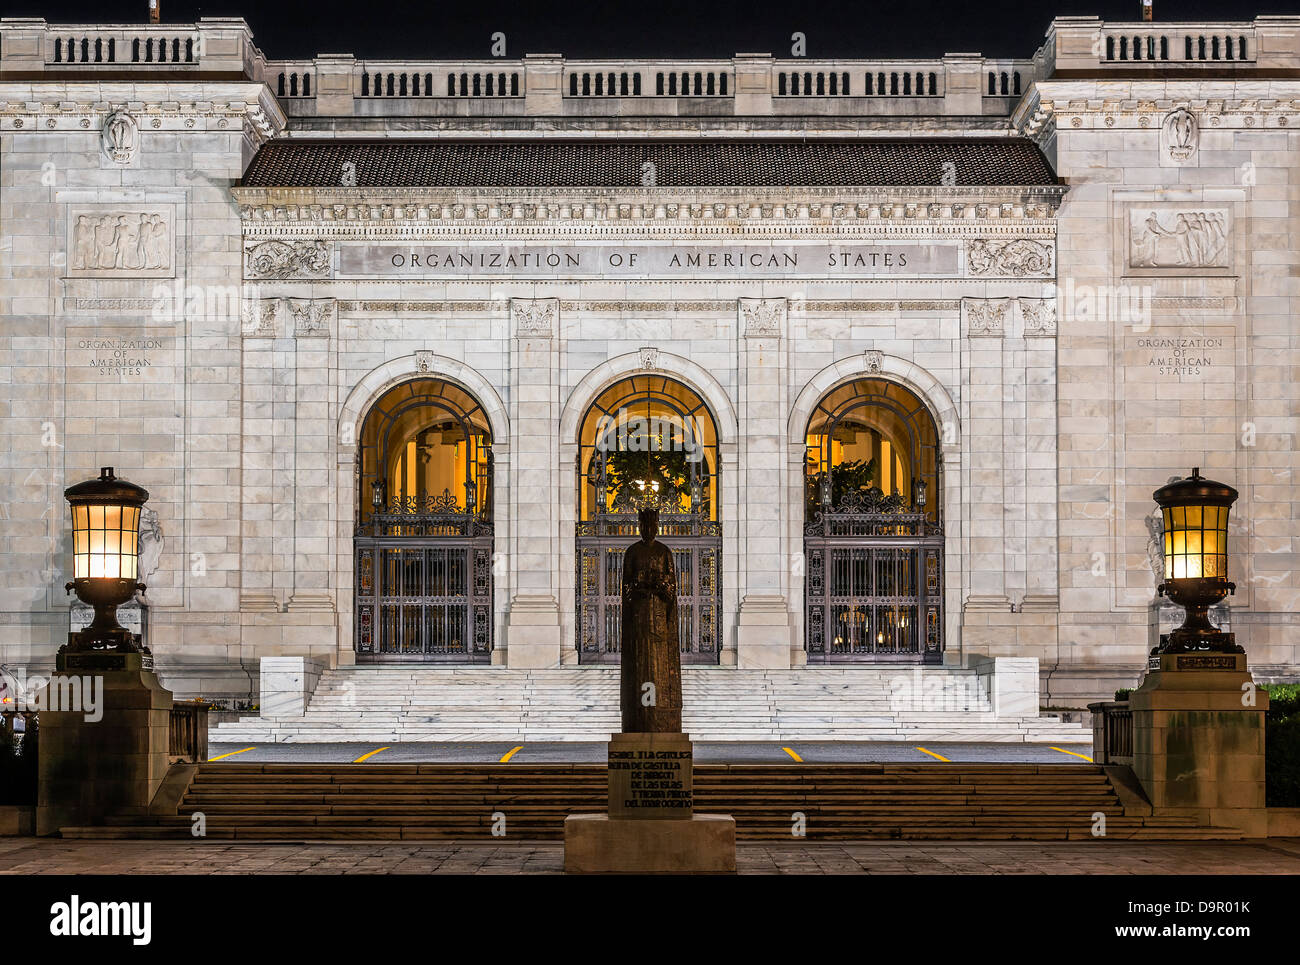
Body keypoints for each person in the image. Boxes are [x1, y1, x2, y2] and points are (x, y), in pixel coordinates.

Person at [619, 506, 682, 733]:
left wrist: (660, 584)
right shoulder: (632, 552)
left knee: (657, 666)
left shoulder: (664, 552)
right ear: (640, 527)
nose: (648, 530)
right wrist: (639, 583)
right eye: (644, 526)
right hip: (638, 620)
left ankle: (660, 710)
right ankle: (640, 713)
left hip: (659, 622)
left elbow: (672, 588)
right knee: (641, 664)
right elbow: (625, 588)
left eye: (652, 526)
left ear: (657, 527)